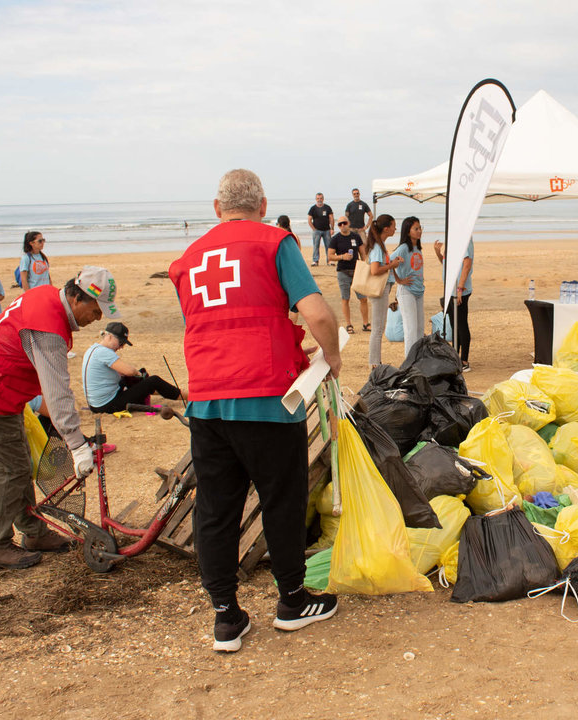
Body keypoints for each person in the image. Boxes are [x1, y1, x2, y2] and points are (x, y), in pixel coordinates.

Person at [170, 169, 341, 653]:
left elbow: (206, 323)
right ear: (263, 205)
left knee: (216, 509)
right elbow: (319, 314)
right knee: (281, 500)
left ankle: (226, 616)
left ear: (216, 208)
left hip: (206, 400)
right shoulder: (273, 242)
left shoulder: (187, 260)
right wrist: (332, 356)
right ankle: (291, 601)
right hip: (267, 396)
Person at [0, 267, 122, 570]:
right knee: (10, 472)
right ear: (77, 298)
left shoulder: (45, 296)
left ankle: (34, 533)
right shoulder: (48, 328)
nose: (97, 318)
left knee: (20, 465)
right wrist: (77, 445)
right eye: (96, 310)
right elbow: (57, 391)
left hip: (2, 394)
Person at [81, 322, 184, 413]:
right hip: (107, 405)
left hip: (96, 404)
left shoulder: (93, 348)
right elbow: (129, 371)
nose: (121, 347)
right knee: (153, 380)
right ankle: (186, 396)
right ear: (109, 336)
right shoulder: (105, 352)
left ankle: (168, 392)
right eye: (120, 342)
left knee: (135, 381)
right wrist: (139, 374)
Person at [433, 236, 474, 371]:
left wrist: (460, 288)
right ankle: (456, 356)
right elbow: (446, 264)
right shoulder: (452, 239)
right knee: (453, 324)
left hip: (459, 290)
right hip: (450, 290)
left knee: (461, 323)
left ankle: (464, 360)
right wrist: (438, 252)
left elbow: (467, 264)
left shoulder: (464, 237)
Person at [365, 214, 401, 367]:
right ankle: (374, 363)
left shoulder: (380, 245)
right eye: (393, 226)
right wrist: (391, 266)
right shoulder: (378, 247)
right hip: (380, 289)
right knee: (378, 328)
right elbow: (375, 270)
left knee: (378, 327)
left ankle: (375, 361)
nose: (395, 229)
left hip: (384, 287)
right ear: (386, 228)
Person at [327, 215, 370, 333]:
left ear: (349, 223)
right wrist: (342, 257)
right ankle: (349, 324)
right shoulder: (335, 239)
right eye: (340, 224)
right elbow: (330, 256)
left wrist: (365, 267)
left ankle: (366, 323)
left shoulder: (355, 237)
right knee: (345, 299)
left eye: (344, 223)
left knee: (363, 298)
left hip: (356, 271)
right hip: (343, 272)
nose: (342, 226)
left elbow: (363, 253)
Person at [391, 216, 426, 356]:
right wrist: (399, 280)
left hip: (419, 291)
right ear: (407, 231)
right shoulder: (404, 248)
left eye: (420, 228)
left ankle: (418, 358)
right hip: (406, 291)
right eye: (416, 229)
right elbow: (388, 261)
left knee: (419, 328)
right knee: (410, 328)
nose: (419, 231)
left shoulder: (418, 248)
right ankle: (409, 361)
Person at [307, 193, 334, 267]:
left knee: (328, 246)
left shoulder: (327, 207)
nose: (319, 200)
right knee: (316, 246)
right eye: (318, 198)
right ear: (316, 199)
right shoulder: (313, 208)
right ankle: (315, 261)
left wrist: (332, 228)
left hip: (327, 230)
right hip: (317, 231)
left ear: (323, 199)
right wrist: (314, 229)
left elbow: (331, 218)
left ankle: (329, 260)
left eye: (321, 198)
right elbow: (309, 219)